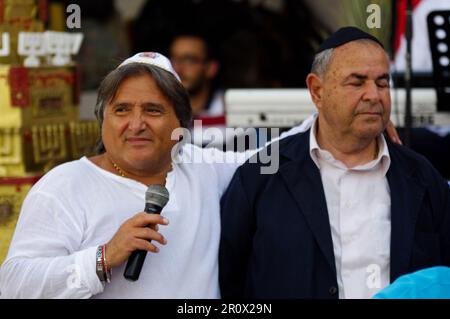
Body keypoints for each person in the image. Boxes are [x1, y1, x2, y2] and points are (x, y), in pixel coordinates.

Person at [0, 50, 400, 299]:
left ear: (181, 122)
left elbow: (271, 153)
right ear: (103, 119)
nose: (135, 124)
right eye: (122, 110)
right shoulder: (65, 186)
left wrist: (349, 118)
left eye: (153, 111)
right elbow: (14, 284)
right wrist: (102, 259)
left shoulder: (202, 168)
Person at [219, 26, 450, 299]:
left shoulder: (421, 176)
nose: (374, 95)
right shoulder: (263, 174)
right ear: (317, 91)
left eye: (382, 82)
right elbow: (230, 279)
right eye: (357, 82)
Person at [169, 33, 223, 117]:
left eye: (189, 60)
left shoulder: (230, 112)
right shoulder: (157, 109)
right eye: (173, 60)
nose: (176, 68)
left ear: (211, 68)